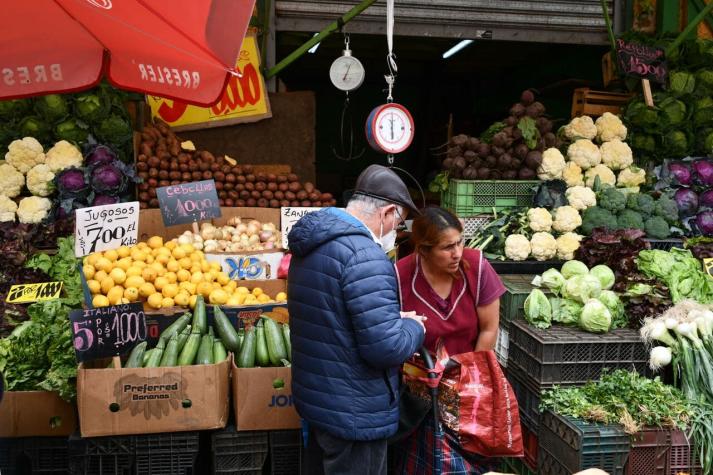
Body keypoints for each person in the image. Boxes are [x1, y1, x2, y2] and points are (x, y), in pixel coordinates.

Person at [287, 164, 427, 475]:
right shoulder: (366, 257)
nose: (396, 232)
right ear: (387, 212)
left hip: (320, 400)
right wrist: (413, 327)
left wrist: (390, 318)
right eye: (399, 223)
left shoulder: (313, 245)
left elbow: (333, 314)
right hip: (355, 412)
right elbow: (386, 348)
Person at [392, 206, 506, 474]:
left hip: (471, 386)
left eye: (460, 242)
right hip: (422, 393)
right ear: (423, 250)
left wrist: (471, 380)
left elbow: (489, 329)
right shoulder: (401, 276)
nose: (457, 253)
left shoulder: (476, 267)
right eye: (447, 247)